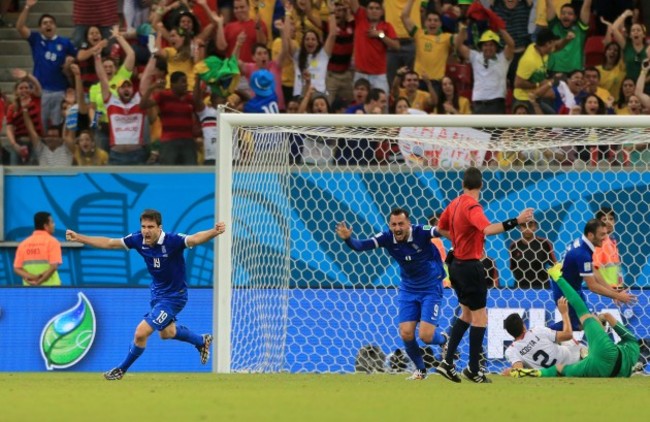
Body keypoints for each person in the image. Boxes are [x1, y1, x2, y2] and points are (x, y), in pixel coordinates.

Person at [65, 209, 226, 380]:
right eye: (143, 226)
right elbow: (110, 243)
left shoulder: (172, 241)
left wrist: (213, 232)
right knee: (167, 333)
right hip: (157, 294)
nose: (146, 231)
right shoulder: (137, 239)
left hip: (174, 297)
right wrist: (79, 237)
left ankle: (121, 370)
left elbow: (194, 238)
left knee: (141, 332)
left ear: (159, 228)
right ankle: (201, 341)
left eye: (150, 227)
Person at [436, 166, 534, 383]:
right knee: (480, 318)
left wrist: (458, 240)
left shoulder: (454, 203)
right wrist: (516, 221)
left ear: (463, 184)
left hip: (455, 265)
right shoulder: (472, 205)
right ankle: (473, 369)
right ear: (481, 185)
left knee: (465, 315)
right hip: (471, 266)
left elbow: (440, 227)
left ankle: (447, 362)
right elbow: (488, 229)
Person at [336, 208, 447, 380]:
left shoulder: (421, 231)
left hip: (431, 287)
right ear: (389, 225)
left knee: (425, 336)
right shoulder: (386, 237)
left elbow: (438, 230)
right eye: (393, 224)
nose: (397, 228)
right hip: (408, 289)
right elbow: (360, 246)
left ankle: (444, 341)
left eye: (401, 224)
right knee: (406, 333)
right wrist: (348, 239)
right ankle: (420, 370)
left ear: (408, 223)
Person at [511, 264, 640, 378]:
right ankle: (537, 374)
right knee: (562, 367)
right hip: (615, 374)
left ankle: (557, 277)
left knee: (582, 310)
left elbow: (607, 316)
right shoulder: (631, 357)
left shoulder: (633, 344)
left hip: (603, 355)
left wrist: (599, 318)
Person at [548, 219, 635, 332]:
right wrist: (618, 296)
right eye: (602, 234)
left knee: (589, 322)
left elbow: (593, 269)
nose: (605, 238)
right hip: (565, 290)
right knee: (579, 325)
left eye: (606, 234)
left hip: (573, 288)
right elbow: (592, 286)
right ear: (590, 235)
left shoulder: (583, 244)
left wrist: (613, 292)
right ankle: (538, 334)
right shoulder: (582, 254)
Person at [16, 0, 77, 132]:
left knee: (59, 129)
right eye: (44, 23)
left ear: (55, 26)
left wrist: (70, 61)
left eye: (51, 23)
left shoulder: (65, 42)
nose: (48, 25)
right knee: (41, 129)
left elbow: (77, 58)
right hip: (40, 92)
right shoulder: (36, 39)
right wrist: (27, 7)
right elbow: (20, 27)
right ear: (40, 28)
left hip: (60, 90)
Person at [502, 297, 585, 374]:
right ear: (523, 326)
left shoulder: (511, 350)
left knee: (554, 338)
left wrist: (510, 371)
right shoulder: (538, 330)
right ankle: (585, 354)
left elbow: (519, 371)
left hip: (553, 374)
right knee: (566, 340)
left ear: (510, 333)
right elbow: (568, 335)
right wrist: (564, 313)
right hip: (574, 361)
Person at [13, 211, 62, 286]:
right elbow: (53, 267)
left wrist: (33, 278)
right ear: (46, 226)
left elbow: (17, 268)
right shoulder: (52, 242)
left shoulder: (23, 244)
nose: (54, 225)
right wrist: (38, 282)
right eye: (52, 222)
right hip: (51, 288)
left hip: (29, 289)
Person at [509, 219, 557, 289]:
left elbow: (554, 264)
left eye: (530, 226)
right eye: (524, 226)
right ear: (520, 228)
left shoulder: (544, 244)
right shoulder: (514, 246)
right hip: (520, 288)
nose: (527, 229)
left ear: (536, 227)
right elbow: (513, 267)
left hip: (542, 288)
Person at [592, 207, 623, 288]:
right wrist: (610, 290)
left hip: (615, 290)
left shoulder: (612, 240)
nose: (608, 222)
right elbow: (595, 269)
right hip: (605, 292)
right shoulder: (599, 242)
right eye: (604, 219)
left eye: (611, 219)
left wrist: (619, 287)